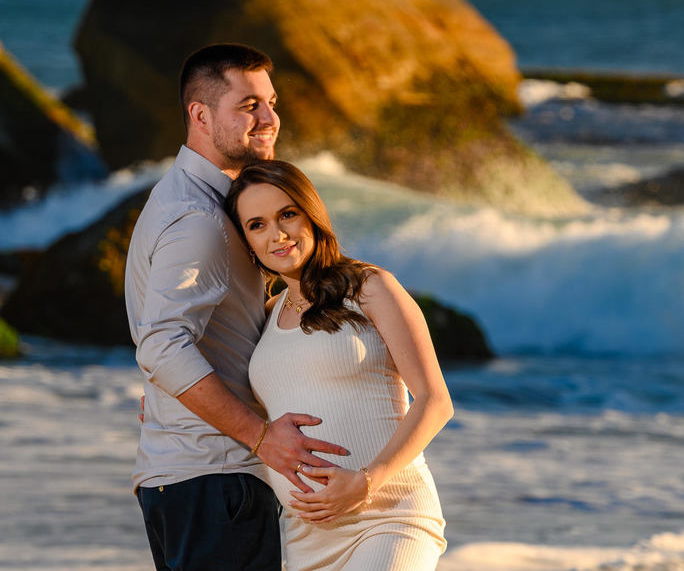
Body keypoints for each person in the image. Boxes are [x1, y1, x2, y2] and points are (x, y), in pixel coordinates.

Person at [125, 44, 348, 571]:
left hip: (196, 479)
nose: (270, 118)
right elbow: (160, 342)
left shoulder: (182, 197)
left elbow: (185, 328)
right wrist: (261, 436)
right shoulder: (197, 218)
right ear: (200, 115)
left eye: (271, 102)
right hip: (217, 479)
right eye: (249, 106)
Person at [225, 159, 453, 571]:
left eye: (287, 215)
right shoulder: (268, 315)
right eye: (256, 225)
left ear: (311, 213)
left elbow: (436, 402)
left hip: (389, 516)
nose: (277, 235)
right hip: (305, 538)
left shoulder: (370, 287)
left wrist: (366, 482)